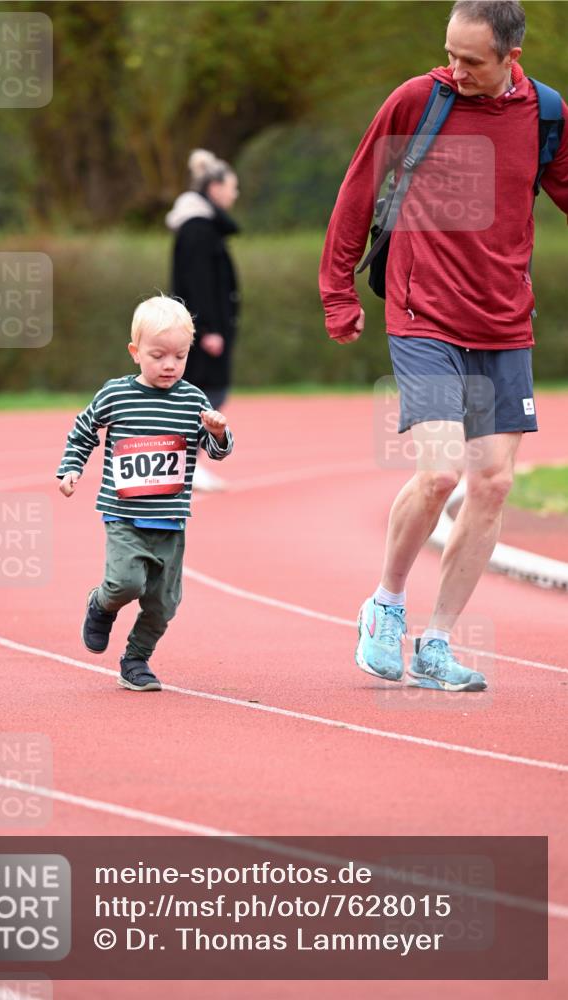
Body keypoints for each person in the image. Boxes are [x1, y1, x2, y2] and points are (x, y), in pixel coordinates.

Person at [320, 0, 567, 692]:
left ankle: (436, 642)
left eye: (471, 61)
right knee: (439, 474)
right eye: (449, 53)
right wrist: (337, 291)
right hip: (421, 313)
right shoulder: (416, 100)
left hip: (503, 322)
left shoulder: (545, 115)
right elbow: (357, 192)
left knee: (492, 484)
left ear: (510, 59)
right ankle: (386, 606)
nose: (453, 70)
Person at [56, 295, 234, 692]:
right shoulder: (116, 395)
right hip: (123, 515)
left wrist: (220, 433)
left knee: (163, 604)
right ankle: (101, 603)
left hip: (170, 519)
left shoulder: (193, 400)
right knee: (125, 583)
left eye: (179, 356)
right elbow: (84, 429)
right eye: (158, 356)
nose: (169, 365)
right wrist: (71, 467)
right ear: (135, 353)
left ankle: (136, 660)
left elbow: (217, 452)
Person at [166, 148, 240, 491]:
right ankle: (186, 466)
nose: (234, 194)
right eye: (231, 187)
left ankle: (187, 465)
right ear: (214, 188)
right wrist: (207, 328)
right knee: (202, 394)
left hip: (210, 329)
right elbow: (195, 283)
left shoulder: (206, 226)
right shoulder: (197, 228)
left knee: (209, 393)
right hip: (204, 332)